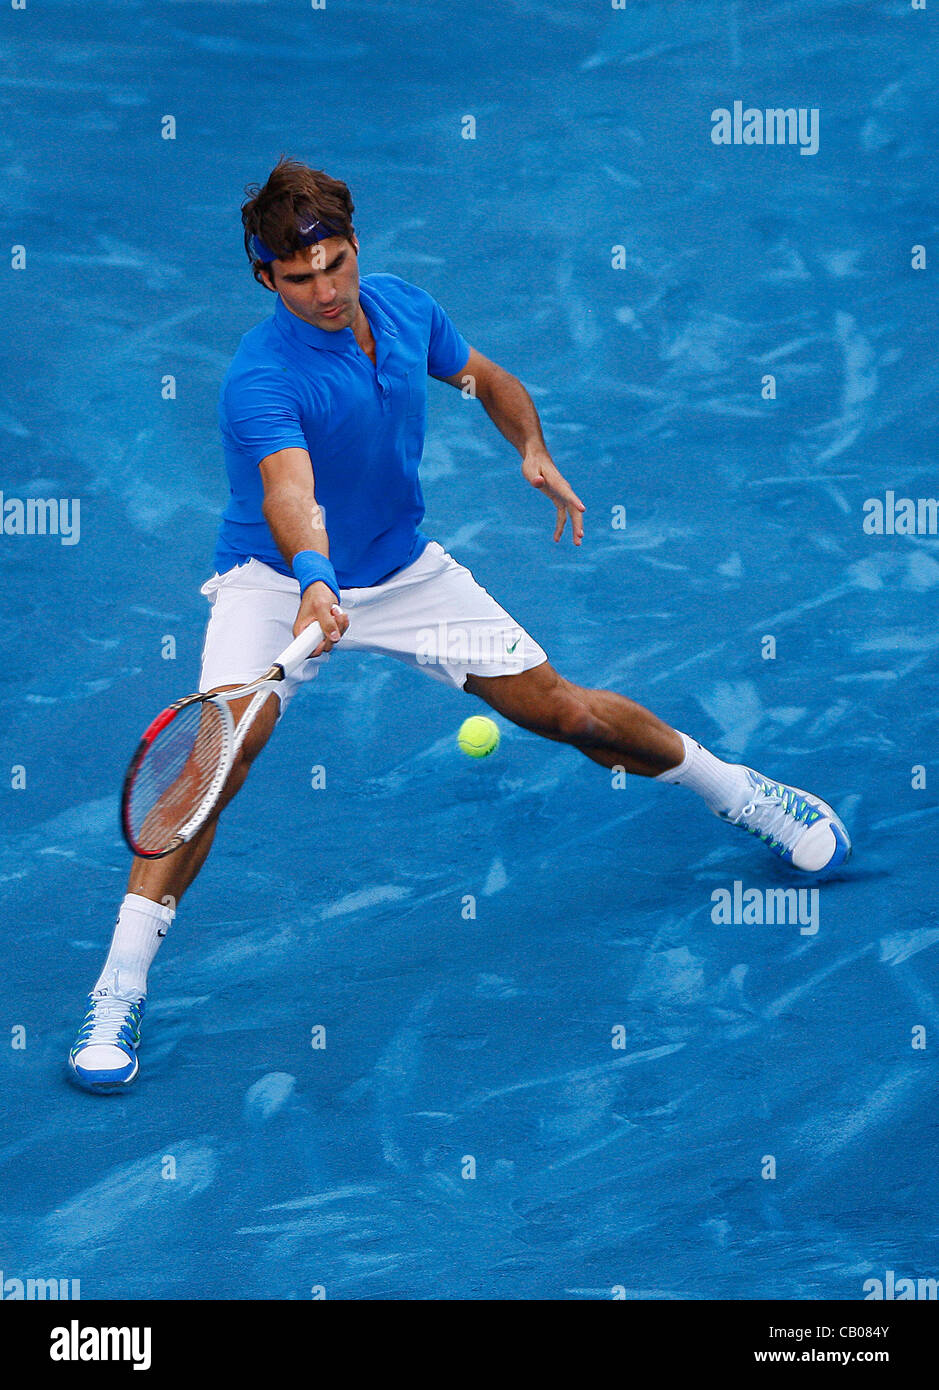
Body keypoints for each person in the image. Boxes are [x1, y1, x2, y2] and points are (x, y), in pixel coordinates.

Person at [68, 158, 850, 1092]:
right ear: (265, 278)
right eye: (298, 277)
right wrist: (314, 580)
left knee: (567, 715)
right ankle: (117, 992)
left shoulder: (401, 309)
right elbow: (291, 492)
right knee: (218, 752)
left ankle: (742, 793)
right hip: (276, 581)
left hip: (403, 573)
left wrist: (530, 445)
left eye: (336, 264)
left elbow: (482, 378)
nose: (324, 290)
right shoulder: (260, 377)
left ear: (356, 249)